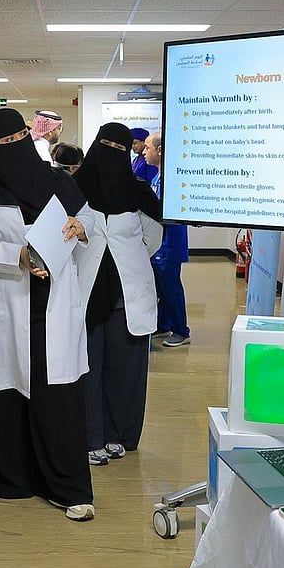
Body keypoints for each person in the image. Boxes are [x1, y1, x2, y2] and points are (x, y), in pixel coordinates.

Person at [0, 108, 98, 521]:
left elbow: (87, 216)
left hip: (52, 302)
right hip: (5, 302)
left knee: (56, 396)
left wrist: (81, 227)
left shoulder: (58, 180)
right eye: (6, 142)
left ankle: (66, 487)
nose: (17, 146)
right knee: (6, 392)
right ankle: (7, 480)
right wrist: (15, 255)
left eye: (22, 137)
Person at [73, 123, 164, 465]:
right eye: (106, 145)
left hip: (126, 296)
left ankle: (117, 434)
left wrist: (126, 257)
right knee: (88, 367)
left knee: (123, 370)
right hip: (86, 293)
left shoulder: (139, 193)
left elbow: (152, 240)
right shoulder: (74, 189)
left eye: (119, 148)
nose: (111, 153)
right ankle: (90, 435)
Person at [146, 131, 191, 347]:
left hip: (169, 241)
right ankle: (162, 324)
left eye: (147, 148)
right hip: (160, 241)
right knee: (162, 287)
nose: (144, 152)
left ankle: (181, 330)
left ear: (160, 150)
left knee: (171, 287)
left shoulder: (171, 179)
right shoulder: (158, 176)